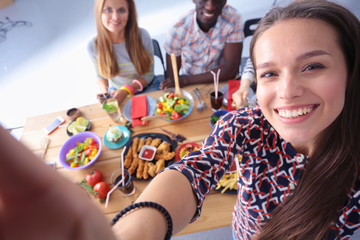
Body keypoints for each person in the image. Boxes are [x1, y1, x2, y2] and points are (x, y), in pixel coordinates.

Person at [1, 1, 359, 240]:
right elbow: (194, 171)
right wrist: (135, 230)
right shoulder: (245, 126)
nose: (287, 91)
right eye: (269, 74)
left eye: (313, 66)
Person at [160, 0, 244, 89]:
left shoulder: (233, 18)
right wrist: (183, 81)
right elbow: (172, 77)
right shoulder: (177, 29)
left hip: (220, 82)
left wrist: (185, 80)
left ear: (224, 1)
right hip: (189, 86)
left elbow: (231, 70)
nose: (210, 7)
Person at [87, 0, 158, 105]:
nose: (115, 17)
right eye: (108, 10)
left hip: (148, 88)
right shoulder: (93, 46)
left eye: (121, 10)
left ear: (129, 13)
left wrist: (126, 90)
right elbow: (100, 76)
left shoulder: (142, 36)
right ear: (99, 13)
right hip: (117, 92)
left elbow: (149, 75)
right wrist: (105, 93)